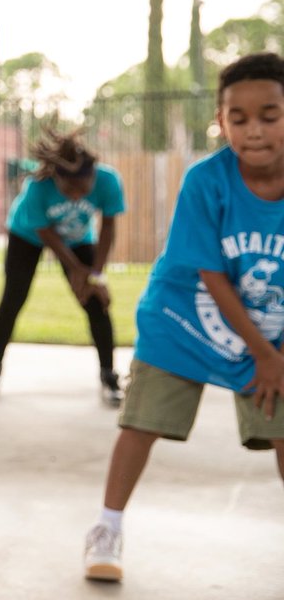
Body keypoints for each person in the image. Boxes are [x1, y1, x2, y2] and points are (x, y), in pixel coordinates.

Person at [83, 53, 284, 583]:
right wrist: (265, 354)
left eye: (270, 115)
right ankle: (106, 529)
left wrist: (274, 356)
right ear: (221, 122)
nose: (254, 131)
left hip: (269, 329)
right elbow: (212, 275)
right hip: (185, 320)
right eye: (238, 119)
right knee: (141, 422)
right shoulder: (206, 181)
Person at [0, 129, 125, 404]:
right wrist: (75, 269)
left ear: (93, 176)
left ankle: (109, 375)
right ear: (55, 178)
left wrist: (95, 275)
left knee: (96, 301)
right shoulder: (37, 186)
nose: (74, 196)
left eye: (82, 189)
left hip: (79, 238)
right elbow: (45, 233)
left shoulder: (108, 181)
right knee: (13, 298)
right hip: (27, 235)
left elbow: (108, 227)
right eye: (68, 189)